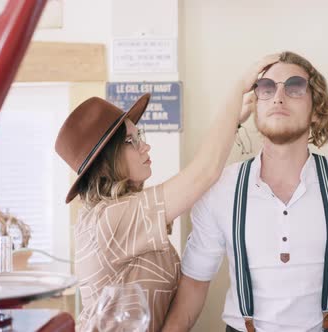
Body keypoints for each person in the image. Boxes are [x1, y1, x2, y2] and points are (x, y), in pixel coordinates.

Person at [163, 51, 328, 332]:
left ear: (316, 109)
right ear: (254, 106)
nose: (278, 97)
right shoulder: (222, 188)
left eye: (295, 87)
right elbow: (193, 283)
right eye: (266, 88)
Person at [54, 54, 280, 332]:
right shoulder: (109, 221)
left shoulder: (126, 211)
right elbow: (203, 173)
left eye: (140, 137)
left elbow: (199, 176)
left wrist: (233, 122)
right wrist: (236, 90)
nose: (144, 147)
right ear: (106, 161)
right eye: (131, 141)